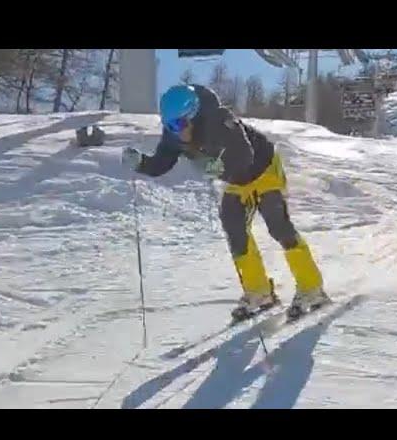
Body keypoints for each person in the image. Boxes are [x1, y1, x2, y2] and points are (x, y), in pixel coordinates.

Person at [122, 84, 330, 322]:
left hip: (263, 168)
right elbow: (162, 162)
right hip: (235, 180)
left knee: (277, 225)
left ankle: (311, 287)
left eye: (179, 125)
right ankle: (259, 291)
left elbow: (244, 154)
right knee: (234, 228)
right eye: (169, 126)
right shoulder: (174, 135)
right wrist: (140, 163)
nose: (175, 132)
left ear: (193, 114)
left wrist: (220, 166)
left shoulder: (219, 120)